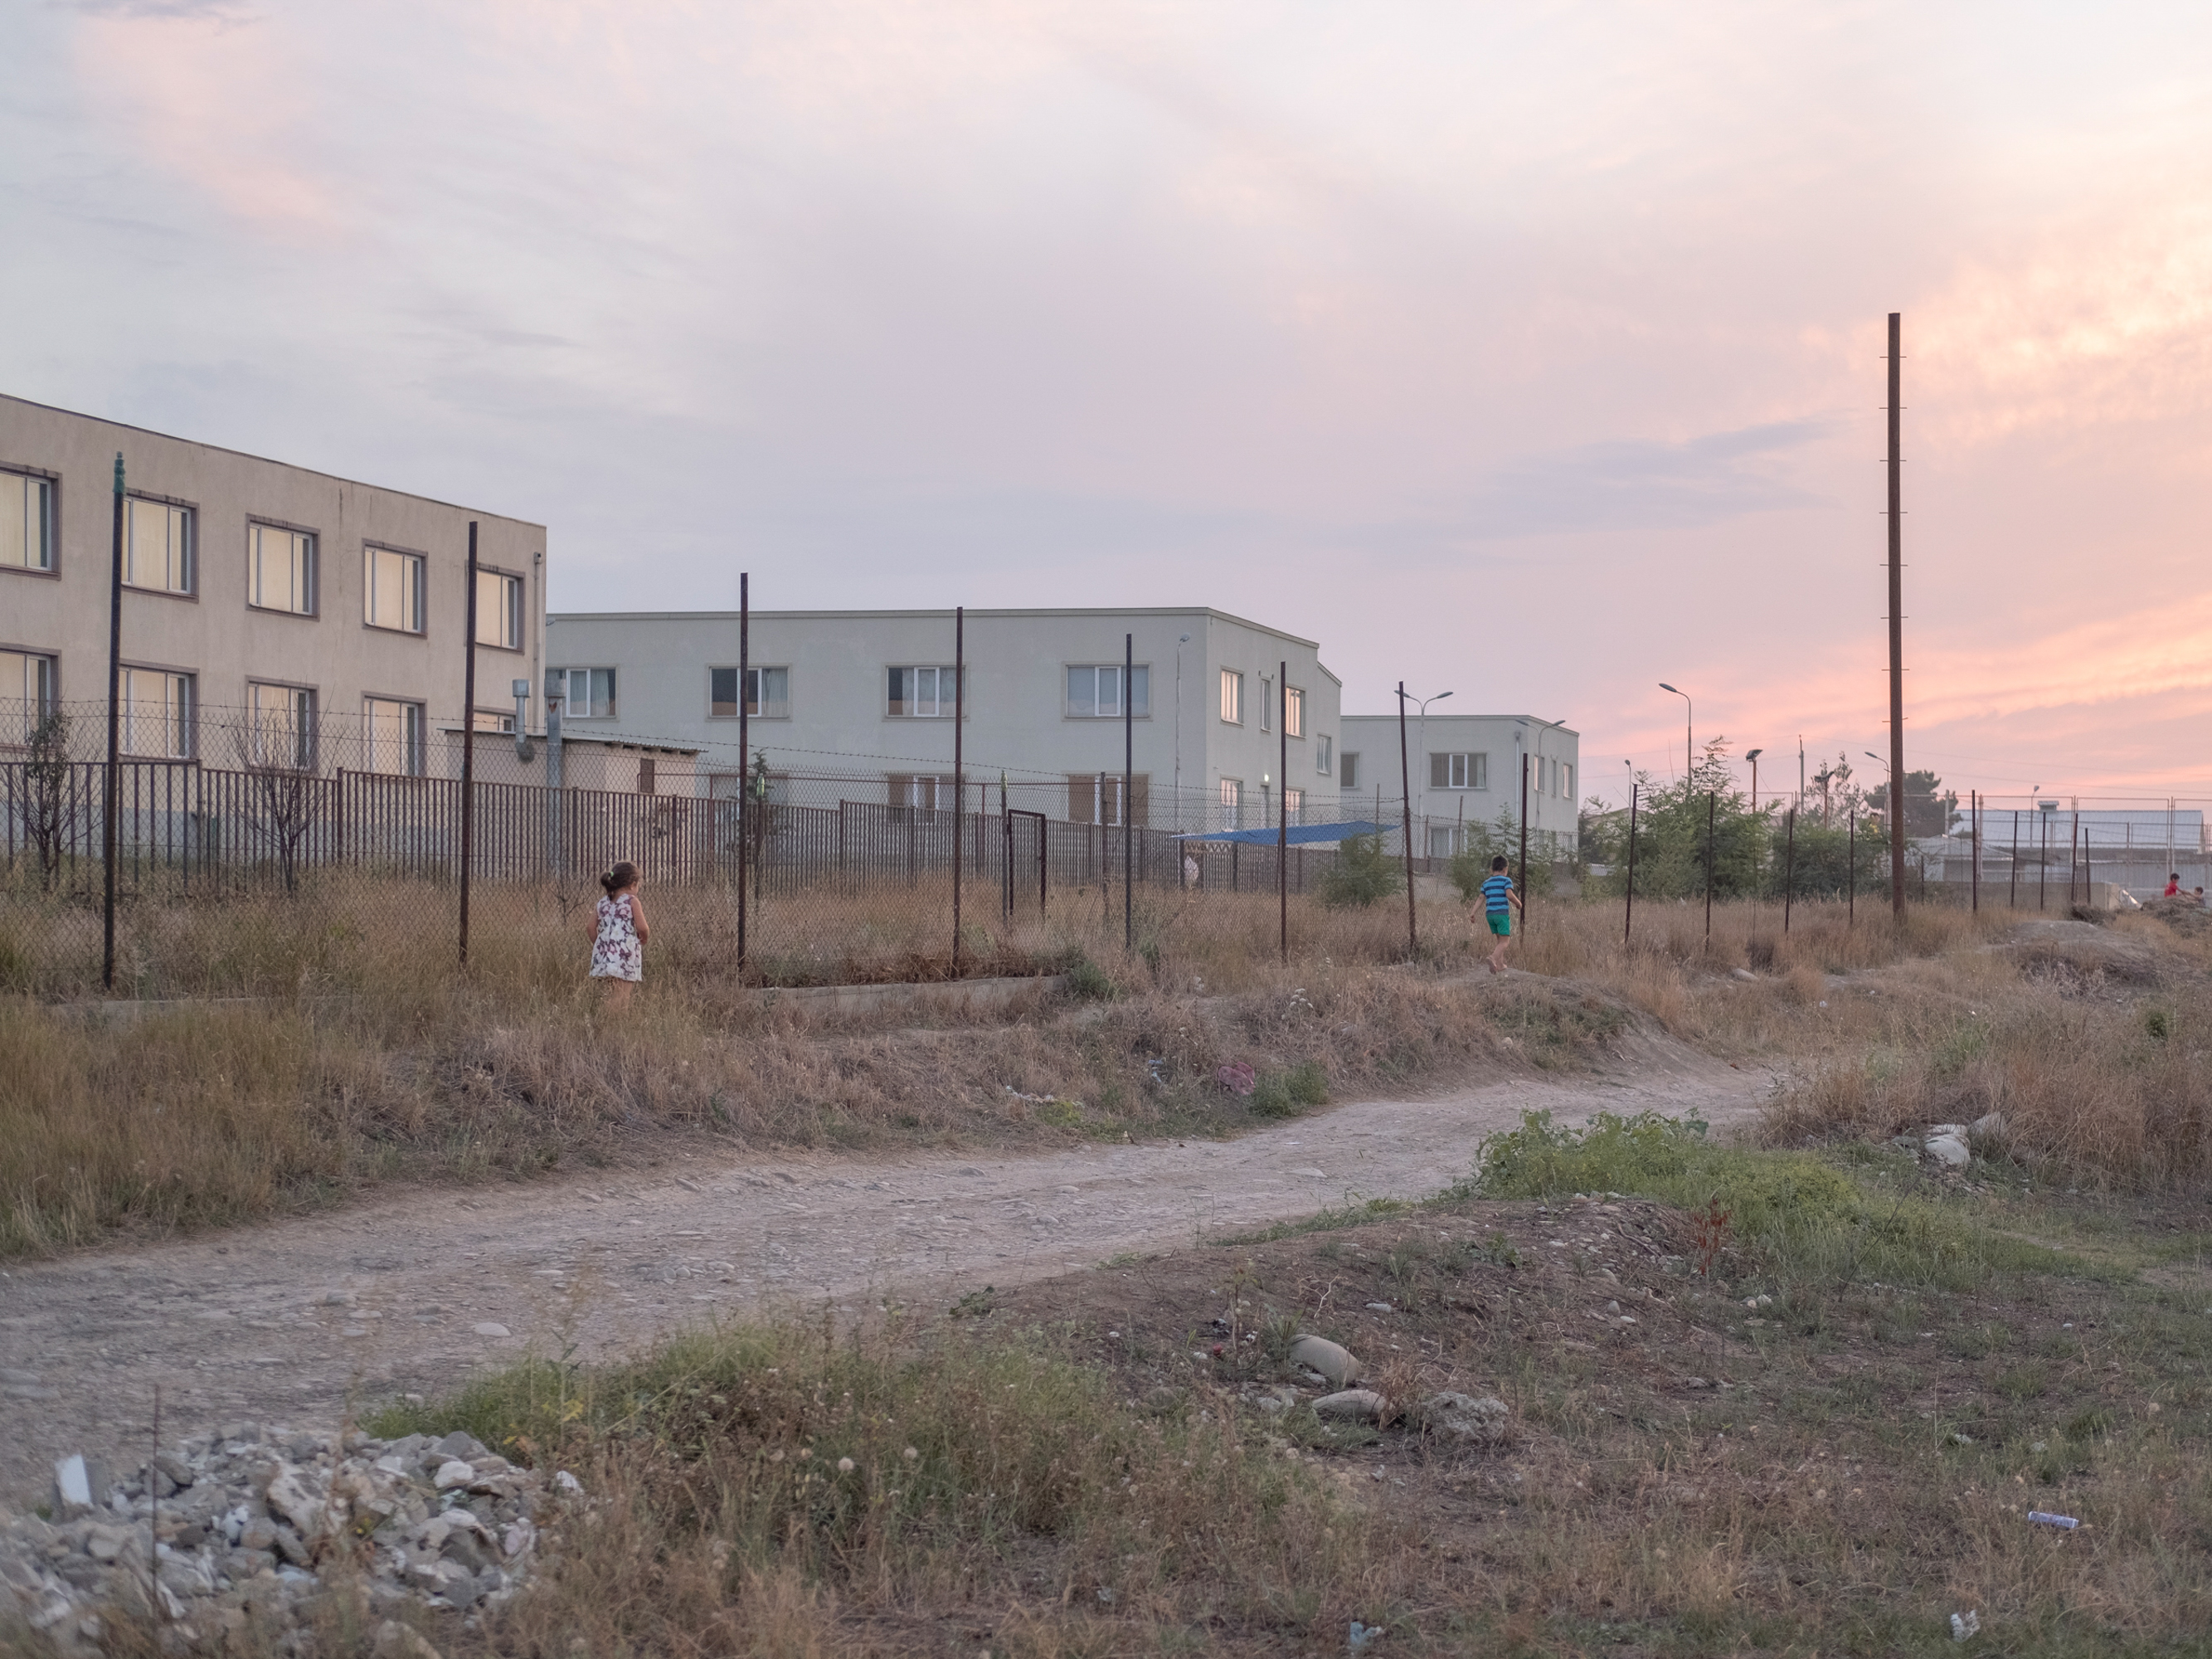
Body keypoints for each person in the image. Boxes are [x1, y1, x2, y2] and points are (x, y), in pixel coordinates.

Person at [589, 859, 649, 1009]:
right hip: (624, 954)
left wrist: (601, 945)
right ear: (632, 884)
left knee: (612, 993)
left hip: (605, 955)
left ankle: (613, 1019)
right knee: (623, 995)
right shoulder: (632, 901)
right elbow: (642, 927)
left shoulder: (602, 903)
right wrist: (644, 938)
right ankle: (610, 1020)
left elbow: (590, 927)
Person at [1475, 854, 1522, 974]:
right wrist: (1518, 904)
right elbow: (1509, 895)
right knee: (1505, 941)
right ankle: (1493, 958)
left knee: (1499, 940)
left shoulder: (1486, 883)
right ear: (1505, 869)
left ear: (1492, 869)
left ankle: (1500, 965)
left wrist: (1472, 913)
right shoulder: (1506, 880)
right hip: (1501, 914)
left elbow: (1481, 898)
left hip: (1490, 915)